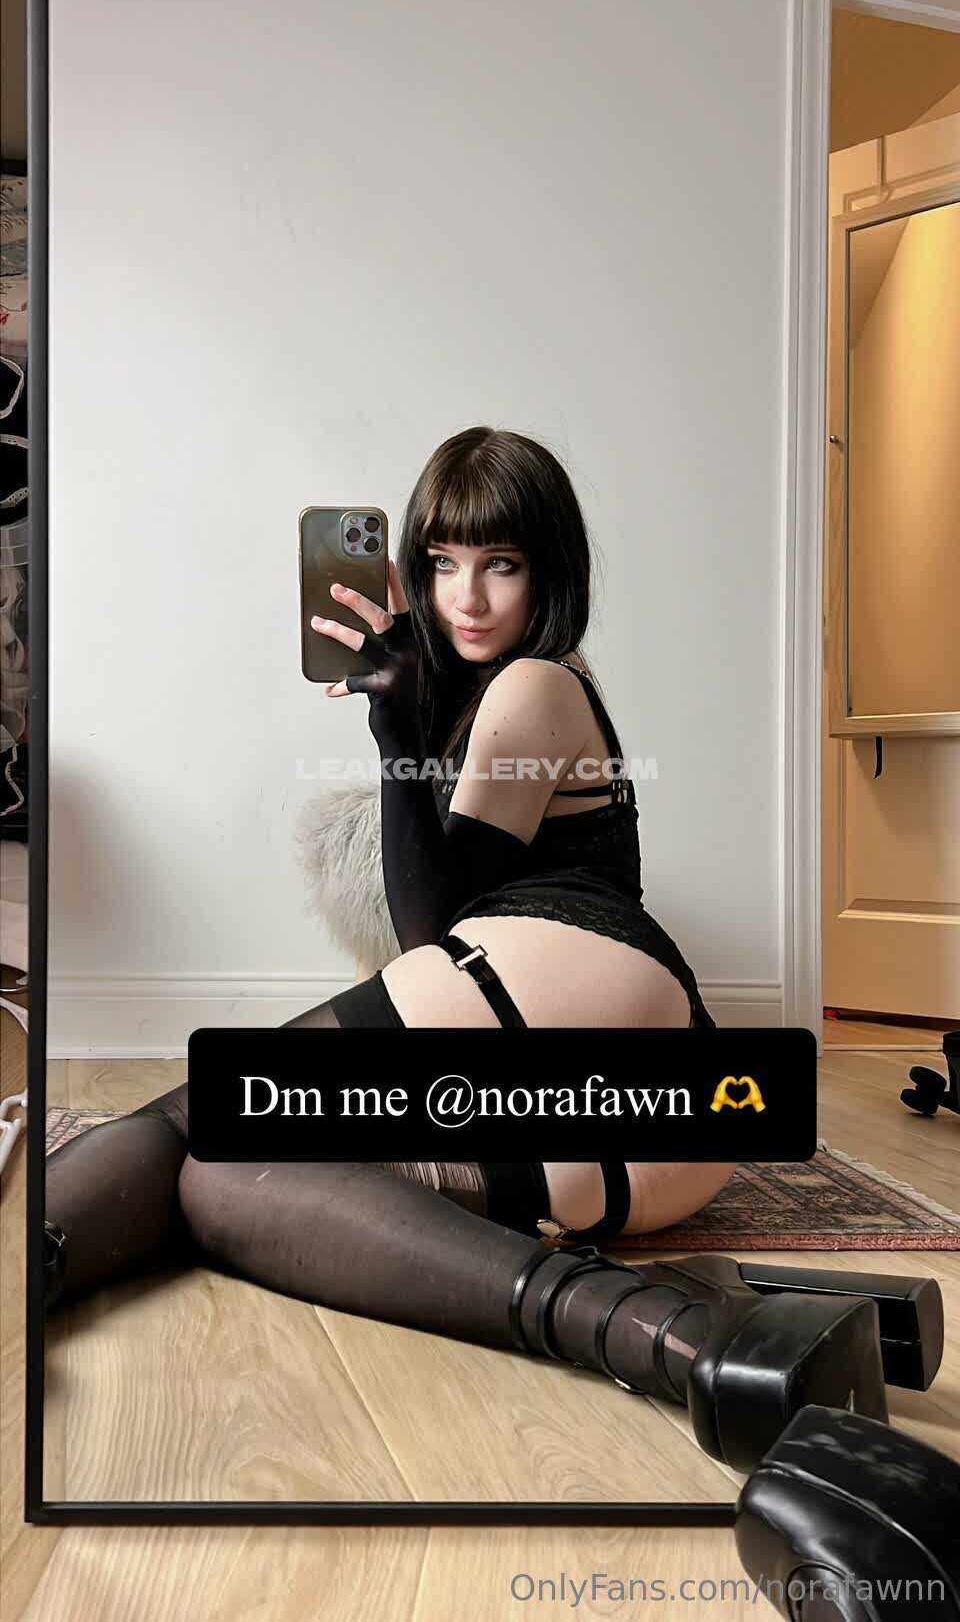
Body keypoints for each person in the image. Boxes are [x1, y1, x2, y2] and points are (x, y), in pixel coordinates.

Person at [44, 428, 741, 1424]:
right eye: (443, 564)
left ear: (552, 571)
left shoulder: (536, 683)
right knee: (223, 1176)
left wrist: (392, 731)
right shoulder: (515, 690)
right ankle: (648, 1328)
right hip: (645, 1137)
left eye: (502, 563)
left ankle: (23, 1271)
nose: (468, 597)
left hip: (577, 988)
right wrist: (408, 717)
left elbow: (433, 926)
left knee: (193, 1120)